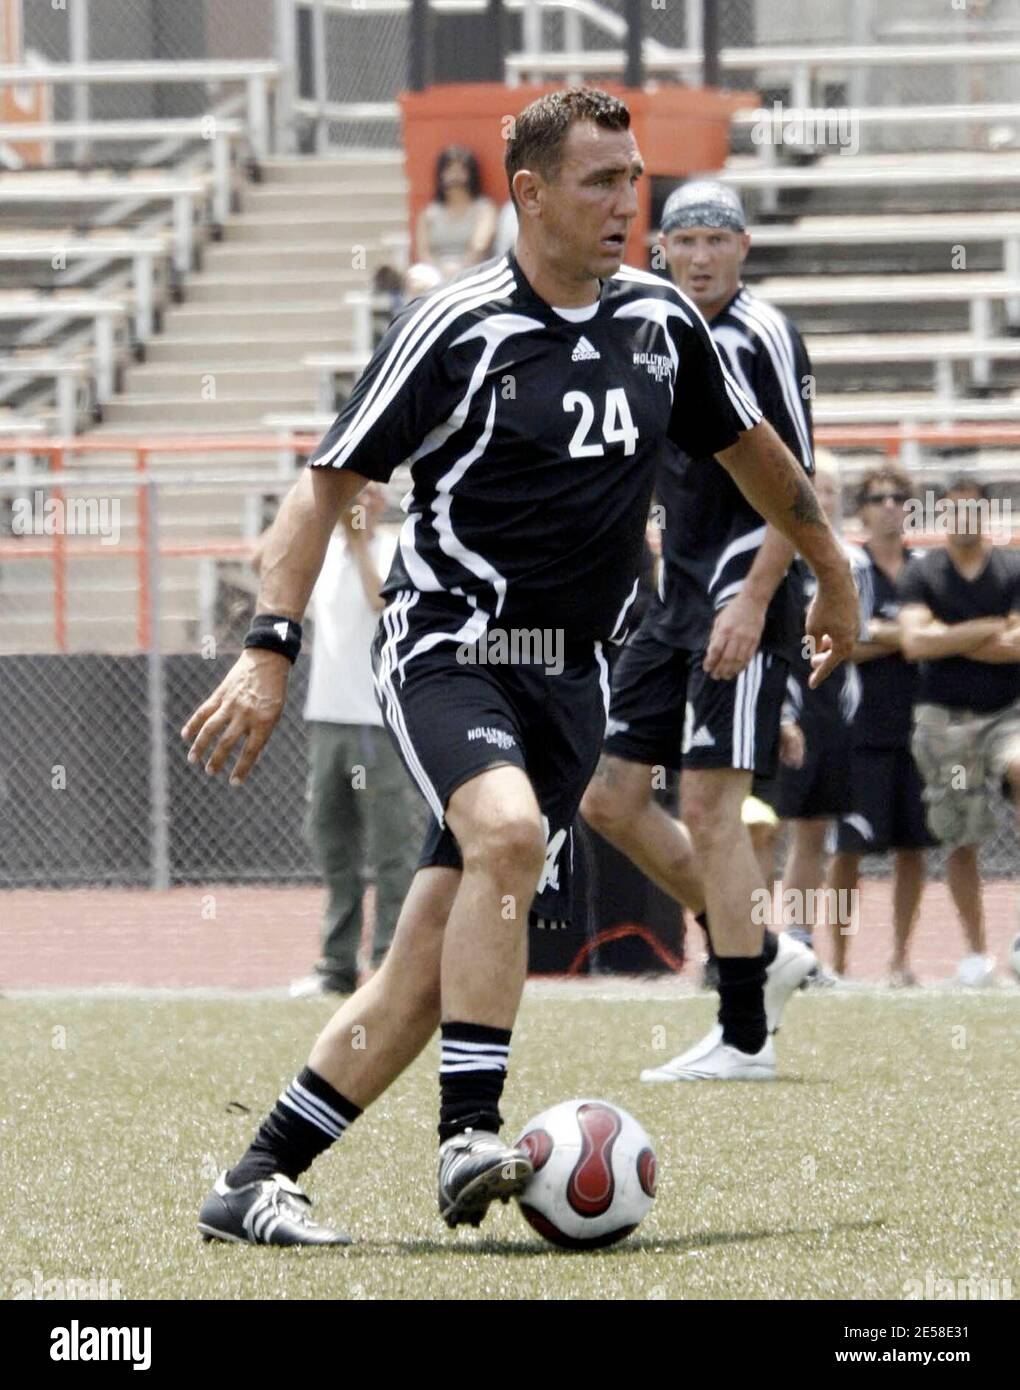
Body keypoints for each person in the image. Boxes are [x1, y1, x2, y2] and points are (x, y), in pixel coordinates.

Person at [182, 88, 858, 1247]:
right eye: (601, 182)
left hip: (571, 678)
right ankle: (468, 1133)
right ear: (529, 192)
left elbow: (757, 455)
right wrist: (268, 644)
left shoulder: (660, 321)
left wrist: (832, 573)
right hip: (453, 645)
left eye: (633, 179)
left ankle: (254, 1178)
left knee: (418, 976)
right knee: (505, 833)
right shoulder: (455, 326)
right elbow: (325, 483)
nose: (625, 203)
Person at [579, 178, 819, 1081]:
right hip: (669, 601)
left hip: (739, 598)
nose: (705, 255)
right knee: (609, 797)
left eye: (721, 239)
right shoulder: (652, 327)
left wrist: (757, 599)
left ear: (745, 248)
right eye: (689, 240)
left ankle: (745, 1032)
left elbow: (797, 485)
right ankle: (760, 944)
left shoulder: (759, 335)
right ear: (662, 250)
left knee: (713, 809)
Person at [282, 484, 420, 998]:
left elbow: (382, 606)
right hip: (328, 720)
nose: (357, 502)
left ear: (382, 500)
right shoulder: (323, 552)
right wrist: (309, 503)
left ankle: (388, 964)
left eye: (366, 493)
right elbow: (263, 562)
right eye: (350, 493)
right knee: (331, 843)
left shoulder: (394, 547)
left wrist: (362, 543)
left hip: (376, 723)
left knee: (391, 850)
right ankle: (336, 966)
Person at [898, 475, 1020, 987]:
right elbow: (913, 644)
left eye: (972, 510)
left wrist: (945, 637)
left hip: (1007, 712)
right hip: (942, 721)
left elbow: (1017, 646)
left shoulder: (1013, 567)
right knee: (960, 835)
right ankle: (976, 954)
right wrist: (987, 630)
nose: (962, 519)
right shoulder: (922, 572)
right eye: (953, 511)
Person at [827, 465, 933, 984]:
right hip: (861, 730)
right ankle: (839, 965)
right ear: (862, 508)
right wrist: (908, 637)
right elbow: (845, 641)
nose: (889, 505)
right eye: (877, 497)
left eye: (898, 497)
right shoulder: (850, 567)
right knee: (849, 849)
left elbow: (942, 635)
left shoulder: (926, 570)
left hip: (921, 729)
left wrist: (888, 635)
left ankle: (899, 960)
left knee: (914, 849)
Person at [773, 452, 872, 979]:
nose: (824, 497)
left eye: (832, 489)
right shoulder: (777, 556)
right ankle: (743, 946)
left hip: (833, 708)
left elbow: (864, 636)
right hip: (782, 704)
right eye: (816, 487)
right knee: (762, 828)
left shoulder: (854, 563)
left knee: (814, 832)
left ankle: (799, 945)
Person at [415, 145, 497, 281]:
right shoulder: (429, 214)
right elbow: (423, 252)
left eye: (460, 170)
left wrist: (460, 270)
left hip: (473, 268)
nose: (455, 175)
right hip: (435, 271)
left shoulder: (484, 209)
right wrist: (440, 271)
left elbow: (479, 246)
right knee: (417, 280)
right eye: (449, 170)